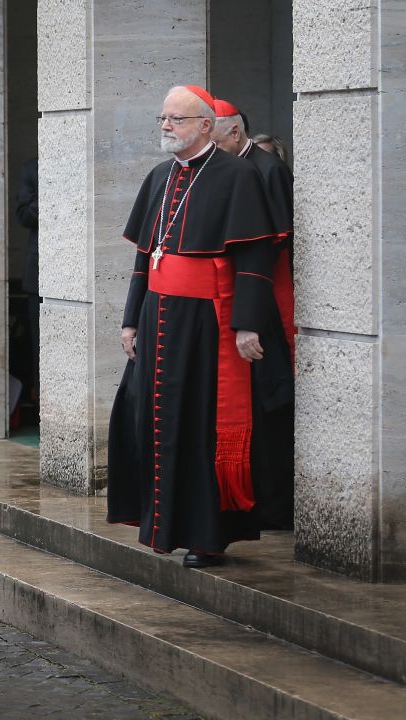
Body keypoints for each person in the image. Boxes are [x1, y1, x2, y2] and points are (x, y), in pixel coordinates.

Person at [105, 85, 280, 568]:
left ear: (205, 125)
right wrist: (129, 319)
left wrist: (246, 325)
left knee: (199, 425)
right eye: (163, 118)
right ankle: (162, 523)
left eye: (176, 119)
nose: (166, 126)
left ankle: (207, 536)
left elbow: (252, 257)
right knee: (153, 420)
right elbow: (146, 256)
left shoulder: (237, 176)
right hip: (157, 316)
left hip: (207, 322)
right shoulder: (160, 176)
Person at [213, 99, 296, 530]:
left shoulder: (266, 168)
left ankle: (277, 505)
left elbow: (274, 239)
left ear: (233, 133)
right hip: (241, 296)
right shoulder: (231, 168)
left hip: (264, 299)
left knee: (272, 405)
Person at [13, 158, 41, 400]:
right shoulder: (31, 168)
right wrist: (52, 193)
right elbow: (23, 215)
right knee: (39, 347)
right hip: (37, 271)